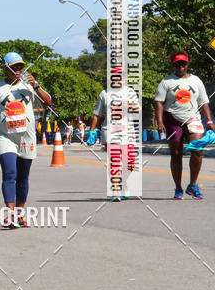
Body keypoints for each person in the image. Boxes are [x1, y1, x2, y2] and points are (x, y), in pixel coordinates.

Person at [0, 52, 52, 229]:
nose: (18, 70)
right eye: (14, 67)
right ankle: (10, 215)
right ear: (5, 68)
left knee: (23, 177)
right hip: (5, 136)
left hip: (26, 136)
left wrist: (36, 85)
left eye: (20, 67)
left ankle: (20, 214)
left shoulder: (29, 85)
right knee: (10, 173)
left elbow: (48, 103)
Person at [154, 50, 214, 200]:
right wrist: (160, 122)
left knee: (197, 149)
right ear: (173, 65)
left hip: (193, 118)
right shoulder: (166, 82)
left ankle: (193, 185)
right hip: (172, 119)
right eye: (177, 64)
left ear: (187, 64)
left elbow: (204, 102)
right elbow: (159, 103)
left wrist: (209, 121)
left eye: (183, 63)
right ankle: (178, 188)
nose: (180, 66)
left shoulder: (196, 81)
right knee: (176, 154)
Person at [87, 69, 141, 199]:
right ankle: (116, 190)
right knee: (115, 161)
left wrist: (129, 105)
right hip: (110, 131)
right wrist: (92, 132)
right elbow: (97, 114)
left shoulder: (130, 92)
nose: (119, 78)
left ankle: (123, 182)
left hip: (128, 132)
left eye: (122, 76)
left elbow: (138, 111)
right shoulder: (105, 93)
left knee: (130, 164)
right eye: (116, 76)